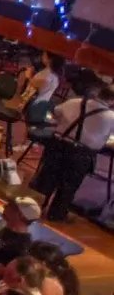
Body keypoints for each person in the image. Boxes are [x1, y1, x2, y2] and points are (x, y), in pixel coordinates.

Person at [34, 82, 114, 220]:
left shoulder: (74, 102)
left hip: (58, 146)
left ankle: (32, 209)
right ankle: (56, 215)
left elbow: (55, 113)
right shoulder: (111, 117)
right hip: (81, 155)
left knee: (45, 180)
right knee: (67, 188)